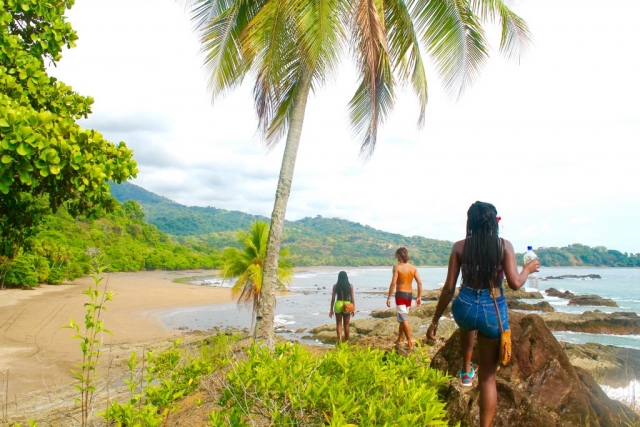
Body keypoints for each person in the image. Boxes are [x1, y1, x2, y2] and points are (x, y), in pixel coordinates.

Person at [426, 201, 540, 427]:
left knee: (468, 324)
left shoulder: (459, 247)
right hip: (492, 309)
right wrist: (527, 269)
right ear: (494, 223)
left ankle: (466, 370)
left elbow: (449, 288)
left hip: (465, 307)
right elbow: (515, 283)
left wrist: (435, 320)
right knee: (488, 377)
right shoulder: (503, 246)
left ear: (470, 222)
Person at [387, 247, 422, 348]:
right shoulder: (413, 268)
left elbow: (393, 283)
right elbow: (419, 282)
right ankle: (400, 338)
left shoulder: (396, 267)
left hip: (401, 295)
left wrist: (389, 297)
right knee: (403, 317)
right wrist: (419, 296)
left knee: (403, 318)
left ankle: (409, 340)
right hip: (409, 296)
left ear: (398, 255)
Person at [329, 271, 355, 342]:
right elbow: (352, 298)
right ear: (346, 277)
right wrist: (353, 309)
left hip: (338, 304)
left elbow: (333, 299)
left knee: (339, 325)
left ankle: (340, 342)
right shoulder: (350, 286)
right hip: (347, 304)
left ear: (339, 278)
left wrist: (331, 310)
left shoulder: (335, 286)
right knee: (346, 324)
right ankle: (346, 342)